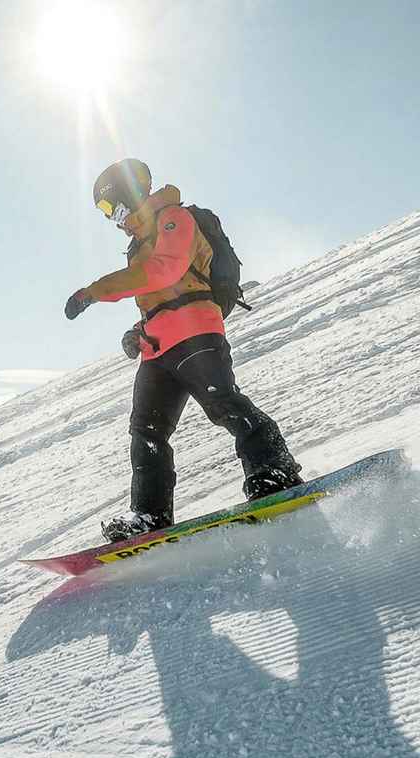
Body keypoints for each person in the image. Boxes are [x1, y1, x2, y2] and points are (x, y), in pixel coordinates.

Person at [64, 158, 303, 542]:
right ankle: (149, 515)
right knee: (146, 432)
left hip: (196, 333)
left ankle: (274, 469)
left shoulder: (174, 219)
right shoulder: (137, 244)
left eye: (114, 207)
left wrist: (95, 291)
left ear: (134, 192)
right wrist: (139, 331)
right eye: (106, 212)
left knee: (221, 401)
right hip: (157, 351)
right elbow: (159, 297)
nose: (114, 218)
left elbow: (167, 272)